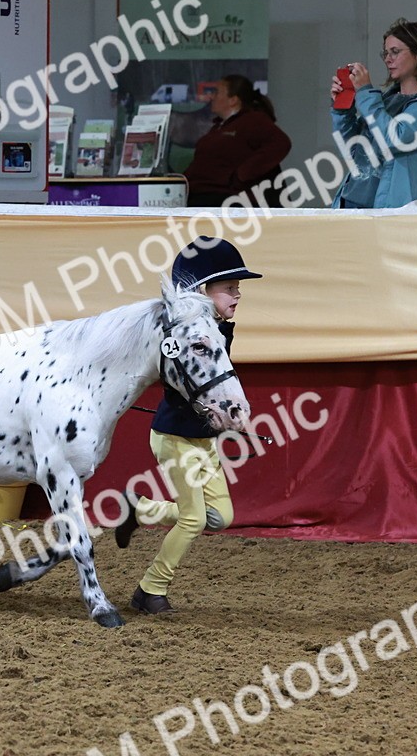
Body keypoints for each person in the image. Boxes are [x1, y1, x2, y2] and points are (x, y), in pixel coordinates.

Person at [115, 236, 261, 615]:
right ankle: (150, 589)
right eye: (229, 287)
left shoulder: (220, 330)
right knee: (194, 518)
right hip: (176, 437)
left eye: (238, 288)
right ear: (200, 291)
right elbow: (183, 381)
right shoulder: (182, 337)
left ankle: (143, 510)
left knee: (220, 517)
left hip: (204, 441)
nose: (237, 295)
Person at [330, 18, 417, 208]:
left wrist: (365, 93)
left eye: (395, 52)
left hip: (388, 213)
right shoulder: (383, 102)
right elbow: (352, 149)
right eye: (386, 53)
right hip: (350, 205)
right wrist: (342, 109)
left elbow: (396, 139)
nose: (388, 59)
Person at [183, 75, 291, 208]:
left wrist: (241, 175)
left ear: (233, 100)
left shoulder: (253, 121)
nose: (211, 97)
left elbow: (280, 143)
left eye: (217, 92)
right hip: (200, 196)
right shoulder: (217, 128)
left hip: (225, 199)